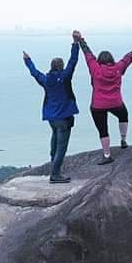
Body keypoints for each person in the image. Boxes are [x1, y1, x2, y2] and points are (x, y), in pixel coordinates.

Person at [75, 30, 132, 164]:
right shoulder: (119, 68)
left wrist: (81, 40)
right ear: (111, 59)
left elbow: (88, 54)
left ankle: (106, 154)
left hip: (98, 105)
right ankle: (123, 139)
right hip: (116, 103)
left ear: (100, 60)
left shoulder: (95, 68)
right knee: (123, 115)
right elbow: (130, 56)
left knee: (103, 130)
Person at [23, 34, 80, 183]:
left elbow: (34, 73)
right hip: (64, 117)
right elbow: (73, 61)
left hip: (52, 117)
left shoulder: (46, 80)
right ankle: (55, 174)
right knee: (62, 146)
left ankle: (53, 165)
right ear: (61, 67)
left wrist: (27, 60)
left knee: (54, 139)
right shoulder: (65, 77)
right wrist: (75, 43)